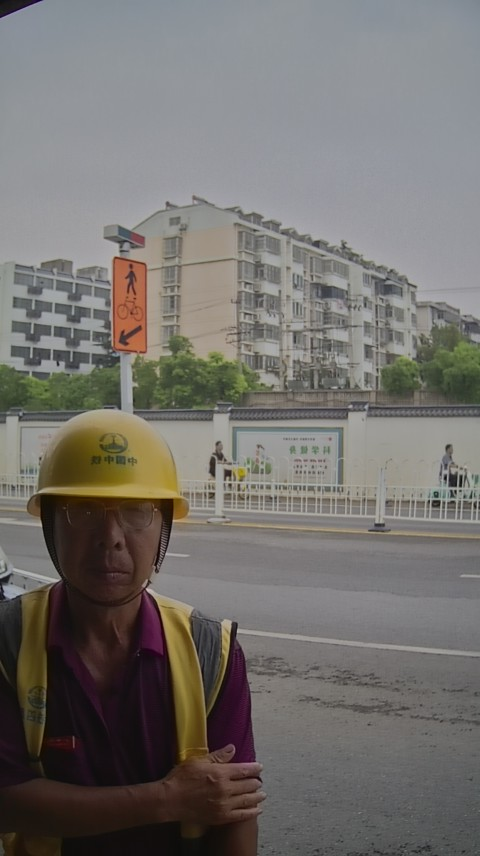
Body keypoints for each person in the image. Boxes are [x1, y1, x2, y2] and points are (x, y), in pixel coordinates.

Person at [0, 410, 265, 856]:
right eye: (83, 511)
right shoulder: (8, 641)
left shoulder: (211, 652)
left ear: (165, 526)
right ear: (49, 523)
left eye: (137, 511)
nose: (111, 537)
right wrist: (167, 799)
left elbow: (233, 807)